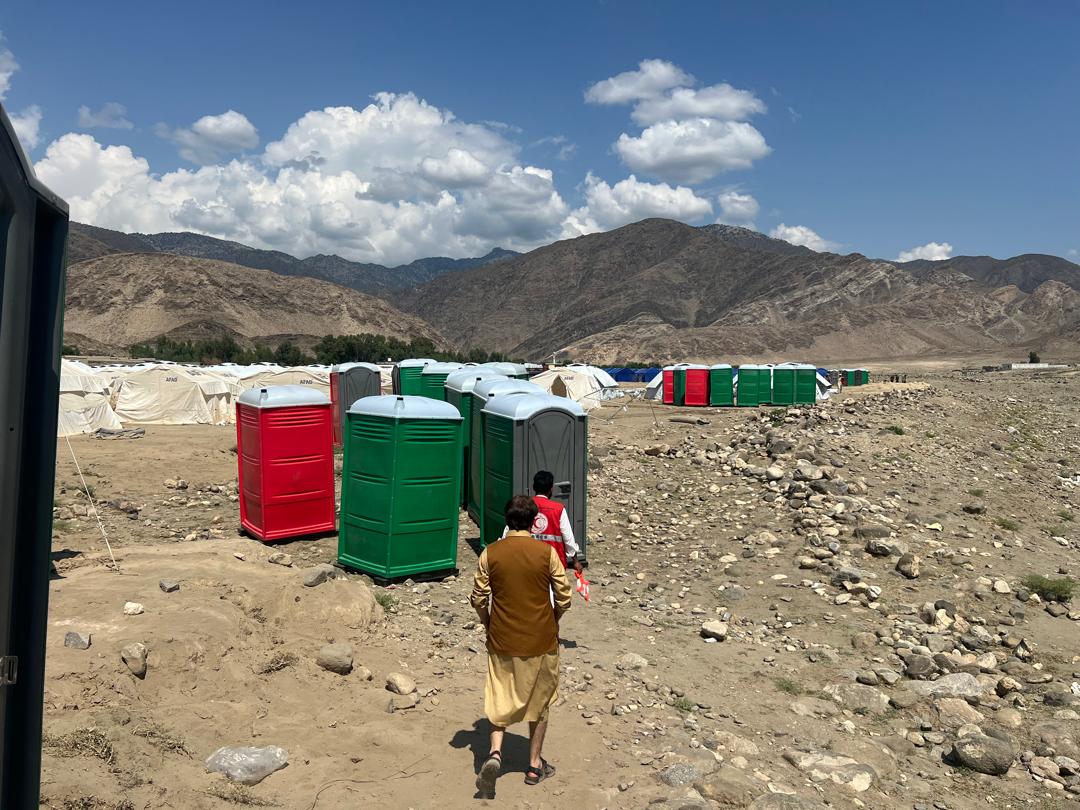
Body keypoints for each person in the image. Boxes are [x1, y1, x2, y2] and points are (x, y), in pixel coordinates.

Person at [471, 495, 573, 795]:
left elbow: (479, 598)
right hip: (541, 639)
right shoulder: (547, 553)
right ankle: (533, 765)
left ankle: (495, 753)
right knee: (540, 702)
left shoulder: (490, 553)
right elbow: (564, 596)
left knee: (499, 695)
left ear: (507, 520)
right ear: (533, 522)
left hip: (502, 638)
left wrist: (487, 622)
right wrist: (554, 619)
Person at [502, 470, 583, 573]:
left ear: (533, 487)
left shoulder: (522, 506)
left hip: (526, 562)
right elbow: (568, 538)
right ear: (551, 489)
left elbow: (508, 532)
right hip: (553, 564)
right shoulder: (558, 509)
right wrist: (575, 561)